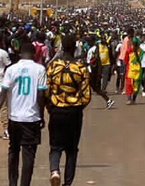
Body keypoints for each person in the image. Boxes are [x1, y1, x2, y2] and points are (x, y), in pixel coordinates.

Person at [0, 42, 47, 186]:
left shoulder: (11, 69)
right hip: (31, 117)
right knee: (28, 154)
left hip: (14, 117)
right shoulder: (40, 69)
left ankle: (12, 182)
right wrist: (41, 115)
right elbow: (41, 95)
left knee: (13, 151)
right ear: (34, 54)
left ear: (20, 54)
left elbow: (3, 93)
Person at [46, 34, 91, 186]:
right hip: (74, 112)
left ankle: (54, 170)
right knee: (72, 150)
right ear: (75, 48)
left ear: (62, 48)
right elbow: (86, 96)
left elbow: (46, 90)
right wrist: (77, 106)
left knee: (55, 147)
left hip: (56, 110)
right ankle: (67, 183)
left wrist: (50, 106)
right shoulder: (81, 68)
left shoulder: (53, 67)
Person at [124, 36, 144, 104]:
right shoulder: (128, 51)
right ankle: (129, 99)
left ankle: (134, 99)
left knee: (136, 87)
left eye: (135, 44)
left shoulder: (141, 51)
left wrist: (135, 53)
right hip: (130, 71)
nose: (133, 45)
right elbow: (125, 61)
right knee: (129, 84)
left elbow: (140, 61)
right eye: (133, 44)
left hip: (138, 71)